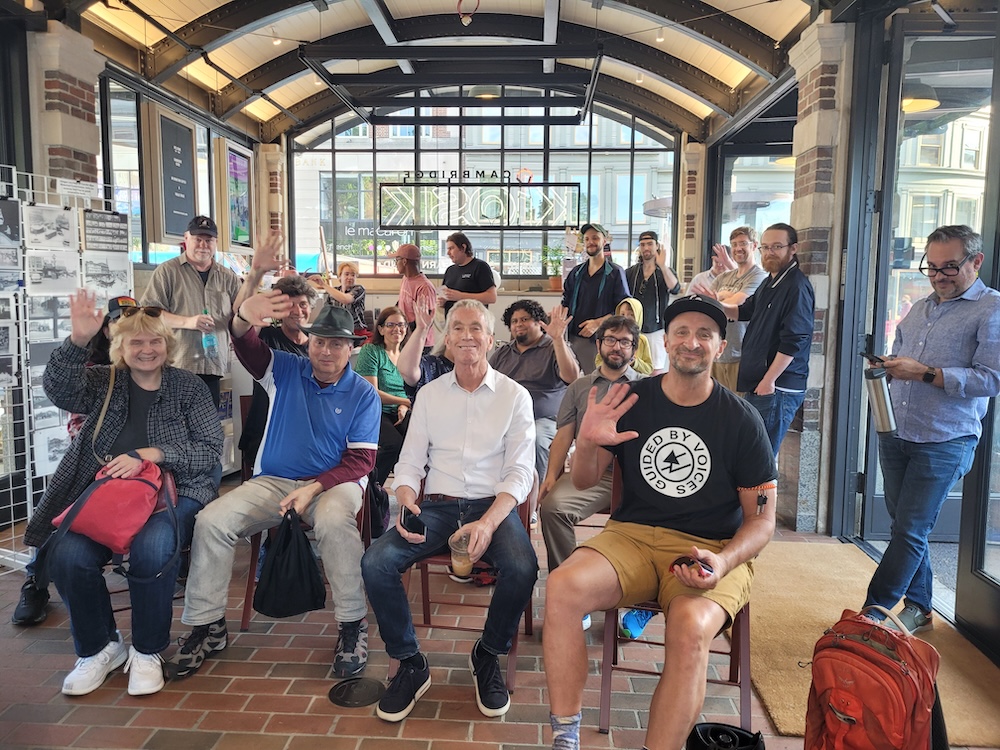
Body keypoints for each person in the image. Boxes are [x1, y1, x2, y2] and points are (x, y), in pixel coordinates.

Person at [543, 294, 777, 750]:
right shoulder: (631, 399)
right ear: (665, 343)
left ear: (721, 346)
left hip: (709, 547)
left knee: (689, 628)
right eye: (681, 332)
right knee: (562, 587)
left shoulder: (742, 420)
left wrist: (723, 561)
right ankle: (565, 736)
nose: (691, 342)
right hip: (631, 537)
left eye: (704, 334)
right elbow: (585, 480)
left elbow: (762, 520)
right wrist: (587, 442)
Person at [167, 245, 381, 682]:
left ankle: (351, 624)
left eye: (336, 344)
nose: (326, 351)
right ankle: (207, 626)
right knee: (211, 521)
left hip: (332, 485)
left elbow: (361, 460)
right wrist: (244, 315)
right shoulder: (285, 368)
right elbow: (245, 342)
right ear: (310, 341)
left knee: (335, 522)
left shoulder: (362, 393)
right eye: (320, 342)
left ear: (350, 348)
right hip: (274, 482)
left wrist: (314, 488)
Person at [23, 290, 222, 697]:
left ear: (167, 345)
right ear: (120, 346)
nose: (146, 349)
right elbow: (59, 389)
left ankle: (147, 650)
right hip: (109, 494)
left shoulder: (188, 387)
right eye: (136, 342)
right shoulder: (104, 382)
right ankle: (100, 647)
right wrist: (78, 340)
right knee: (67, 555)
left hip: (175, 490)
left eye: (154, 341)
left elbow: (209, 450)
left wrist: (151, 454)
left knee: (153, 549)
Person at [361, 300, 538, 723]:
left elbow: (519, 472)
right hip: (437, 506)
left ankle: (487, 653)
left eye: (476, 328)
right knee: (376, 562)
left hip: (491, 507)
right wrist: (405, 498)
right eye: (457, 327)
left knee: (522, 567)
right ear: (446, 339)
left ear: (491, 340)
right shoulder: (429, 395)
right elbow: (410, 462)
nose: (466, 335)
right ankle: (410, 662)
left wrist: (488, 523)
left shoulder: (515, 397)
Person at [864, 225, 1000, 634]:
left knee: (910, 528)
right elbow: (904, 358)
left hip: (946, 438)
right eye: (933, 267)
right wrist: (891, 367)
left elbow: (991, 379)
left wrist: (924, 373)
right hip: (897, 431)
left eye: (950, 267)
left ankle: (872, 614)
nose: (939, 276)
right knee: (906, 527)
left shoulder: (991, 309)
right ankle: (921, 607)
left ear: (976, 261)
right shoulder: (920, 308)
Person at [12, 295, 139, 628]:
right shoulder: (92, 371)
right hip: (93, 465)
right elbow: (71, 405)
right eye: (118, 321)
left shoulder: (152, 366)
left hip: (141, 468)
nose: (126, 328)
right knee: (61, 510)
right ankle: (35, 581)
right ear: (107, 329)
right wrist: (78, 340)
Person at [539, 314, 643, 629]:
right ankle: (572, 593)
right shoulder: (580, 387)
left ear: (634, 350)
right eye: (610, 339)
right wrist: (551, 475)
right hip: (593, 473)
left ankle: (638, 602)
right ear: (598, 345)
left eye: (625, 342)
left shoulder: (647, 386)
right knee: (553, 508)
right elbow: (563, 435)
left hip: (638, 478)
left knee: (657, 523)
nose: (617, 347)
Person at [713, 223, 815, 456]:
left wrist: (769, 380)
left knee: (761, 456)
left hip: (777, 388)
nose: (770, 253)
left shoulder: (796, 286)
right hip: (759, 383)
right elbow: (745, 311)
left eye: (777, 247)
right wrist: (715, 304)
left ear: (793, 248)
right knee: (750, 451)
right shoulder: (770, 281)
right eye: (766, 247)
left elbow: (794, 340)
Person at [141, 215, 243, 408]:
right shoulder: (167, 272)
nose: (203, 245)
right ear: (186, 239)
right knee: (175, 424)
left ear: (216, 243)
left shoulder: (228, 277)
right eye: (198, 239)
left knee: (208, 424)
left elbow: (241, 314)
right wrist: (188, 322)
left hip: (213, 367)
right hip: (178, 365)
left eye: (209, 240)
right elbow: (148, 315)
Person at [489, 299, 580, 491]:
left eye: (525, 319)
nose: (519, 324)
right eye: (514, 321)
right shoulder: (503, 353)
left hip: (545, 420)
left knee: (535, 439)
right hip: (507, 419)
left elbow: (572, 377)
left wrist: (558, 339)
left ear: (540, 323)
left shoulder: (554, 347)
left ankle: (537, 497)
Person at [237, 274, 315, 471]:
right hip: (268, 433)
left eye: (303, 304)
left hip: (307, 433)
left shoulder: (318, 345)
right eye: (290, 305)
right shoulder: (265, 336)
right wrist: (256, 274)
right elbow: (242, 333)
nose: (297, 311)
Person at [696, 226, 767, 393]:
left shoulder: (759, 276)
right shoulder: (723, 277)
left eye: (743, 243)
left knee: (738, 404)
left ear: (754, 245)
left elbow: (739, 303)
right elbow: (706, 305)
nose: (738, 248)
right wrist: (724, 296)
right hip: (716, 353)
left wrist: (720, 297)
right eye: (734, 244)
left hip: (740, 356)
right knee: (713, 403)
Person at [561, 223, 628, 373]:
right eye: (587, 239)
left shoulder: (615, 273)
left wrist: (598, 323)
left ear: (604, 241)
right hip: (574, 339)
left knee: (599, 381)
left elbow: (623, 310)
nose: (591, 242)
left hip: (603, 340)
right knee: (572, 381)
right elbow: (565, 301)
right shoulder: (576, 273)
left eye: (595, 238)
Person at [356, 306, 412, 485]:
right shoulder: (371, 351)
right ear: (380, 329)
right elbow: (372, 393)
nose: (397, 329)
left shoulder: (409, 355)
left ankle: (409, 489)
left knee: (417, 443)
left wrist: (404, 406)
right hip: (375, 410)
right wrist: (405, 402)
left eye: (401, 325)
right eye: (390, 325)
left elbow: (413, 389)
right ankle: (371, 487)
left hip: (402, 410)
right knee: (393, 444)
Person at [625, 231, 680, 371]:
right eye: (642, 245)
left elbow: (675, 288)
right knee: (632, 367)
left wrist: (662, 266)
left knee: (655, 370)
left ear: (657, 246)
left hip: (656, 329)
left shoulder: (665, 271)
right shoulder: (631, 272)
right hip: (633, 328)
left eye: (650, 244)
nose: (646, 248)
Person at [439, 231, 497, 316]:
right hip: (453, 320)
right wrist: (442, 301)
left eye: (451, 248)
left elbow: (491, 297)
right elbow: (447, 297)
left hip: (473, 319)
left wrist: (461, 296)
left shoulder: (480, 267)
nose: (448, 253)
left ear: (463, 248)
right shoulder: (450, 270)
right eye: (447, 249)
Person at [395, 243, 437, 350]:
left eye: (397, 260)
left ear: (404, 261)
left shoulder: (425, 287)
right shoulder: (406, 278)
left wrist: (405, 332)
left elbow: (426, 319)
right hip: (406, 338)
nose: (395, 264)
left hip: (421, 343)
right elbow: (402, 303)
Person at [595, 297, 652, 375]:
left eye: (631, 315)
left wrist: (635, 363)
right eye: (622, 314)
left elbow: (649, 369)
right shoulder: (609, 335)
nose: (625, 318)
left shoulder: (642, 340)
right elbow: (598, 361)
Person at [310, 261, 368, 336]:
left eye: (353, 275)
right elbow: (326, 312)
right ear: (340, 276)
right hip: (337, 331)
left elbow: (346, 299)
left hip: (357, 331)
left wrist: (323, 284)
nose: (350, 277)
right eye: (346, 274)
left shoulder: (359, 289)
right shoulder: (334, 291)